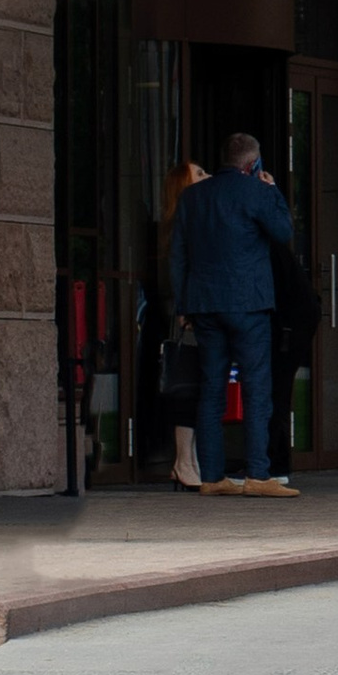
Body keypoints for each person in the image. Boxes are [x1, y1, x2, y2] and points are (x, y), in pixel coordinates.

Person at [170, 131, 297, 498]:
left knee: (212, 390)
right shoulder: (256, 191)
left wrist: (184, 306)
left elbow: (178, 255)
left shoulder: (192, 197)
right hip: (249, 303)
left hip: (204, 305)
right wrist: (272, 190)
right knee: (257, 388)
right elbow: (283, 231)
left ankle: (212, 478)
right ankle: (258, 474)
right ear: (252, 163)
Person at [146, 160, 208, 486]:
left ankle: (189, 461)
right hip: (185, 319)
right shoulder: (180, 225)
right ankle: (184, 462)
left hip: (188, 314)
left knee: (193, 387)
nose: (207, 176)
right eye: (199, 174)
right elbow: (176, 274)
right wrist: (185, 308)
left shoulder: (183, 223)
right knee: (187, 387)